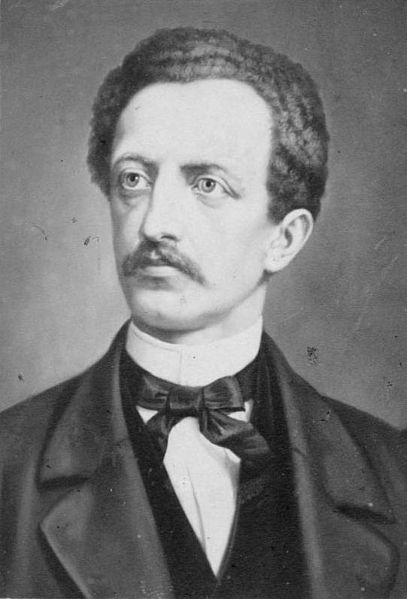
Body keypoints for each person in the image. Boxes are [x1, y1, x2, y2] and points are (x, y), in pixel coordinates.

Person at [0, 27, 406, 599]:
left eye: (207, 184)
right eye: (134, 179)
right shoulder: (8, 465)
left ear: (285, 239)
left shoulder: (394, 473)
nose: (154, 223)